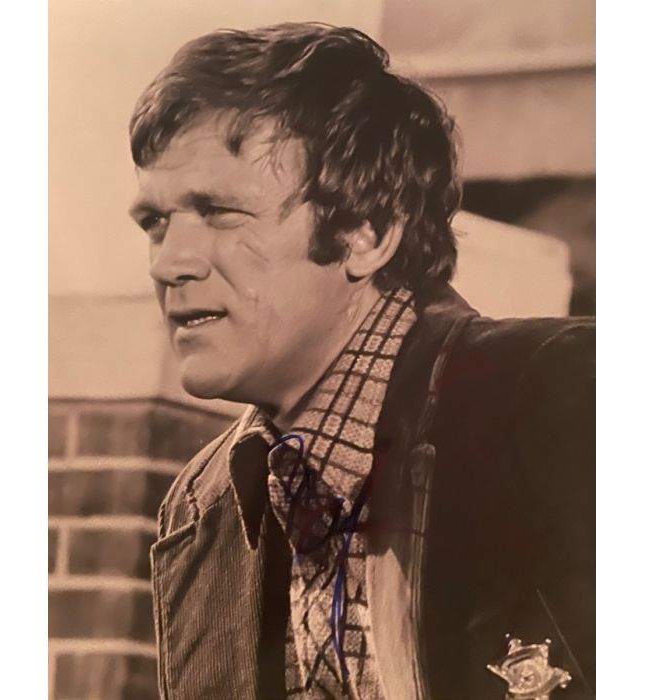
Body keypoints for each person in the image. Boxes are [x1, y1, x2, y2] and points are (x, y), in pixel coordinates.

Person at [128, 23, 595, 700]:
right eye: (155, 223)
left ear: (366, 233)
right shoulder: (202, 514)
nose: (169, 262)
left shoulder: (573, 404)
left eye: (220, 212)